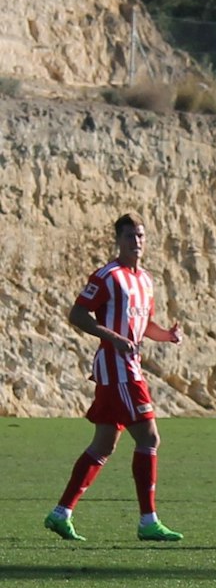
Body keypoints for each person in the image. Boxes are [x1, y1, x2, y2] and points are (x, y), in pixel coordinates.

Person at [44, 214, 185, 543]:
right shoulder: (108, 276)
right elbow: (77, 314)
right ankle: (148, 521)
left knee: (104, 444)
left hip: (126, 367)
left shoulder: (145, 280)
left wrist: (167, 335)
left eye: (141, 236)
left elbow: (144, 325)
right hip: (117, 368)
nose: (137, 242)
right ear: (118, 240)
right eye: (130, 236)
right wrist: (114, 338)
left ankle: (61, 514)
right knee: (149, 438)